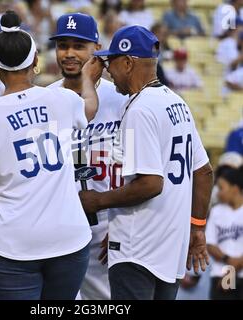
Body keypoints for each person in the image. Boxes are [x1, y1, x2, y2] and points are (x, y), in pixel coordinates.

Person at [0, 10, 100, 300]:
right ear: (36, 60)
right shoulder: (62, 99)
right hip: (68, 237)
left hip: (14, 243)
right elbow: (89, 107)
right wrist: (87, 78)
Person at [80, 25, 213, 300]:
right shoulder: (177, 102)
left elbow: (151, 184)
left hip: (138, 249)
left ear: (128, 63)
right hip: (169, 248)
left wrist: (97, 201)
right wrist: (197, 227)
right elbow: (204, 172)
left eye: (112, 62)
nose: (107, 71)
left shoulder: (140, 108)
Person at [48, 12, 127, 300]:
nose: (69, 53)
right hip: (63, 227)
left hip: (112, 224)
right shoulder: (44, 99)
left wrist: (125, 223)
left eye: (78, 45)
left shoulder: (121, 97)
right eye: (62, 45)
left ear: (97, 49)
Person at [206, 166, 243, 300]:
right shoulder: (217, 211)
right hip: (220, 274)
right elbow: (210, 244)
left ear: (235, 188)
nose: (218, 193)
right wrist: (229, 262)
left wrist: (232, 269)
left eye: (222, 188)